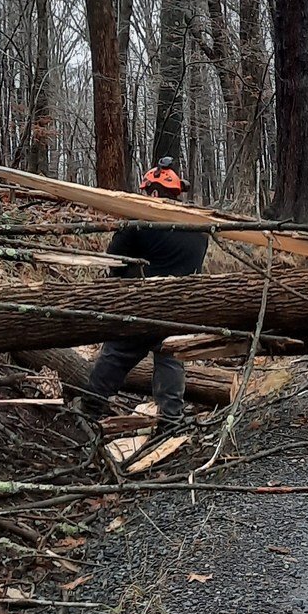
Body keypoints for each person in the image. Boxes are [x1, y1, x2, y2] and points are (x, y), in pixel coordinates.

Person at [83, 158, 209, 429]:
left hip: (146, 303)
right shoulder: (199, 229)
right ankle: (171, 421)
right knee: (171, 358)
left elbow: (114, 261)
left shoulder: (140, 224)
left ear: (152, 193)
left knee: (116, 354)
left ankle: (90, 409)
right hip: (182, 305)